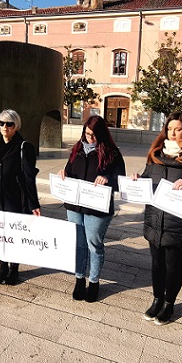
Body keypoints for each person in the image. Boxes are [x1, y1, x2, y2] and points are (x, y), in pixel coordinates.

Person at [134, 111, 182, 324]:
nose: (173, 133)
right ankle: (157, 299)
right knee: (156, 264)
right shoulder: (157, 153)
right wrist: (137, 180)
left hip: (178, 222)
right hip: (154, 218)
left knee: (173, 266)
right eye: (169, 129)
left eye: (178, 129)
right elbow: (148, 178)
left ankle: (169, 304)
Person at [59, 115, 125, 302]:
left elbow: (121, 181)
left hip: (97, 209)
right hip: (74, 205)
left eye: (94, 135)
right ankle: (79, 279)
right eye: (87, 134)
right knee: (78, 244)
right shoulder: (77, 149)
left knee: (93, 245)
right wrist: (64, 174)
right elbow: (69, 170)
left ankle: (94, 282)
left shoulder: (112, 153)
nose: (90, 138)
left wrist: (107, 180)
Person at [0, 109, 41, 284]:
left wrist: (34, 203)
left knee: (13, 235)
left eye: (9, 124)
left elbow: (28, 178)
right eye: (1, 123)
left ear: (16, 126)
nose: (5, 127)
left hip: (14, 199)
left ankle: (14, 269)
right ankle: (2, 267)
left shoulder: (25, 147)